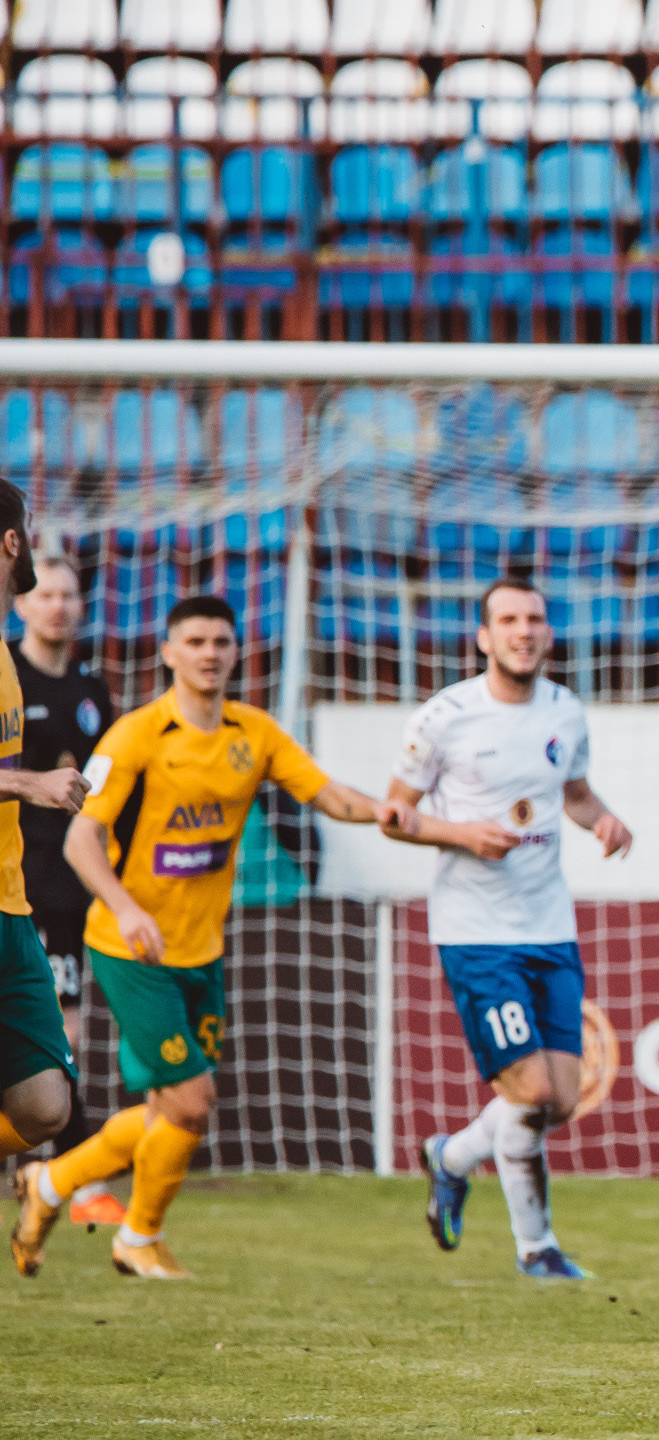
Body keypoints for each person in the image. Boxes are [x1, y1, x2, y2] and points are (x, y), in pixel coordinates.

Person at [10, 595, 413, 1281]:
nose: (209, 653)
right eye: (194, 641)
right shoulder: (134, 735)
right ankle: (138, 1237)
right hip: (131, 948)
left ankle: (50, 1183)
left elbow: (326, 794)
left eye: (221, 641)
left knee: (170, 1110)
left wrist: (384, 811)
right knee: (193, 1101)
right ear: (168, 652)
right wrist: (126, 909)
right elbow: (82, 840)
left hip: (201, 950)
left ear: (235, 652)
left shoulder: (254, 732)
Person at [390, 578, 633, 1281]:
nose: (523, 631)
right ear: (484, 636)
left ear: (547, 633)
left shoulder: (566, 711)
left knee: (561, 1096)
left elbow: (576, 795)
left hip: (549, 925)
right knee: (529, 1089)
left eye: (533, 619)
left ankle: (452, 1157)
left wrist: (604, 821)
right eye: (508, 620)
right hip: (476, 931)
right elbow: (395, 813)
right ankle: (536, 1248)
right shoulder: (445, 716)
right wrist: (462, 834)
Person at [12, 552, 123, 1229]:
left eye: (68, 595)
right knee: (58, 1032)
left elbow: (108, 790)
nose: (57, 605)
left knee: (62, 1033)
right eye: (46, 593)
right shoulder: (7, 674)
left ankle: (64, 1176)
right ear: (22, 602)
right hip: (14, 880)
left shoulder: (92, 691)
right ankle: (77, 1179)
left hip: (68, 882)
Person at [0, 483, 91, 1201]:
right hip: (23, 888)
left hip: (14, 903)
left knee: (42, 1107)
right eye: (28, 529)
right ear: (12, 541)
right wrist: (30, 784)